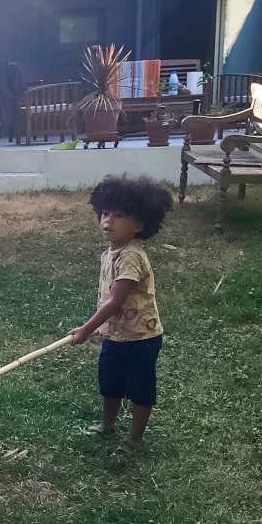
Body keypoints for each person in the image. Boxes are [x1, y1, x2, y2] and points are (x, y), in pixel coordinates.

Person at [69, 175, 173, 454]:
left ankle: (135, 439)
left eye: (119, 215)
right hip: (115, 336)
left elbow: (115, 302)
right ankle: (108, 425)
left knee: (140, 389)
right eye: (105, 213)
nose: (108, 221)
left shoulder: (131, 256)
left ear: (139, 224)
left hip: (141, 337)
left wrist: (86, 329)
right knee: (110, 383)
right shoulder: (110, 253)